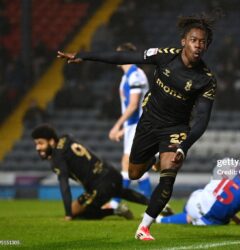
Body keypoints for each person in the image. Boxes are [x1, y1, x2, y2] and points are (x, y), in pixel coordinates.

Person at [57, 13, 218, 240]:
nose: (198, 45)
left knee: (169, 171)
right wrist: (84, 56)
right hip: (149, 123)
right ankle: (153, 160)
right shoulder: (163, 56)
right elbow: (122, 56)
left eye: (203, 42)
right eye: (194, 39)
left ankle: (144, 227)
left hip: (175, 129)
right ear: (183, 41)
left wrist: (184, 145)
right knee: (134, 173)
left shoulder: (206, 80)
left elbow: (202, 119)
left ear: (207, 46)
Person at [157, 140, 240, 227]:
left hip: (194, 200)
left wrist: (237, 219)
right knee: (215, 220)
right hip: (209, 219)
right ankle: (161, 219)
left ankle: (163, 218)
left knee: (195, 209)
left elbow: (217, 193)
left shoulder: (226, 162)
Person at [31, 124, 150, 220]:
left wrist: (68, 214)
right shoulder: (66, 138)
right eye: (36, 144)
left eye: (41, 143)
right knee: (120, 192)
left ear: (51, 142)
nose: (37, 148)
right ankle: (155, 205)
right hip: (111, 173)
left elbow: (64, 185)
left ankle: (115, 210)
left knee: (76, 212)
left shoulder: (57, 158)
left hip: (99, 185)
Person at [106, 43, 151, 209]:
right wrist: (125, 128)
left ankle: (116, 203)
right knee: (135, 165)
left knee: (128, 162)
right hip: (133, 125)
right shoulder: (126, 76)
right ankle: (151, 202)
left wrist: (117, 126)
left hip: (140, 125)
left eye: (118, 54)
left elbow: (133, 105)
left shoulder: (135, 75)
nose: (115, 57)